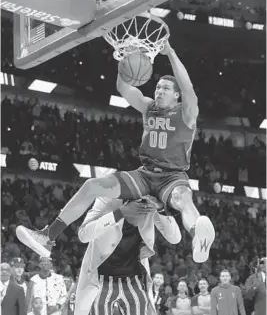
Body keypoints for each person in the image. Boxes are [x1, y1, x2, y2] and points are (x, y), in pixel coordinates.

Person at [16, 40, 215, 263]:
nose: (159, 90)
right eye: (158, 87)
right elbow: (124, 88)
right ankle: (47, 237)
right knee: (91, 186)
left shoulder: (187, 113)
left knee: (183, 197)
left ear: (177, 96)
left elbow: (188, 88)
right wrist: (126, 60)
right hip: (144, 175)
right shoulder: (149, 107)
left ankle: (198, 237)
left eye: (166, 88)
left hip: (172, 176)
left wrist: (170, 53)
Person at [74, 194, 181, 315]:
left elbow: (175, 238)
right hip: (102, 279)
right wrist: (121, 212)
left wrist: (161, 207)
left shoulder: (150, 202)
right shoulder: (107, 197)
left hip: (133, 280)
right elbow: (83, 234)